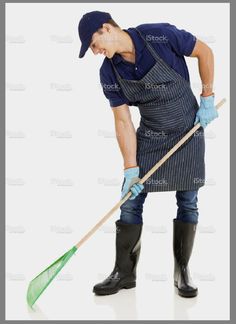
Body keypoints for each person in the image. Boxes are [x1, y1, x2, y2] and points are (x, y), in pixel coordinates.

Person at [78, 11, 218, 298]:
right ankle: (124, 273)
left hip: (187, 130)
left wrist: (207, 98)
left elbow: (204, 51)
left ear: (106, 28)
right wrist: (131, 168)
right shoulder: (109, 71)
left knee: (188, 201)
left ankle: (183, 273)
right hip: (151, 135)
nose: (96, 52)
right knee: (130, 200)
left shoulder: (159, 35)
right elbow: (123, 121)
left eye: (93, 44)